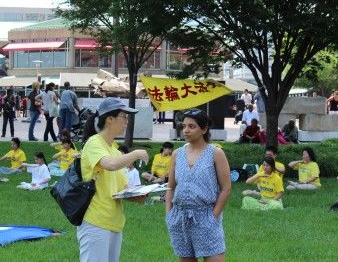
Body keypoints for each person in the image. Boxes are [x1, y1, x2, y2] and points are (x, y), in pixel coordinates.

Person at [77, 97, 149, 262]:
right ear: (109, 119)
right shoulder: (94, 143)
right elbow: (109, 164)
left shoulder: (115, 150)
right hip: (96, 221)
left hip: (114, 222)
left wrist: (135, 195)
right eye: (124, 117)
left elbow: (119, 189)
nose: (126, 122)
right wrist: (136, 153)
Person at [165, 109, 231, 261]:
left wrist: (213, 216)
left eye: (191, 126)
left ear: (204, 129)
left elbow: (226, 188)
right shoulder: (177, 154)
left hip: (206, 216)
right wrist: (169, 214)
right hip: (179, 218)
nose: (186, 130)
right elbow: (171, 187)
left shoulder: (215, 153)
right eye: (184, 126)